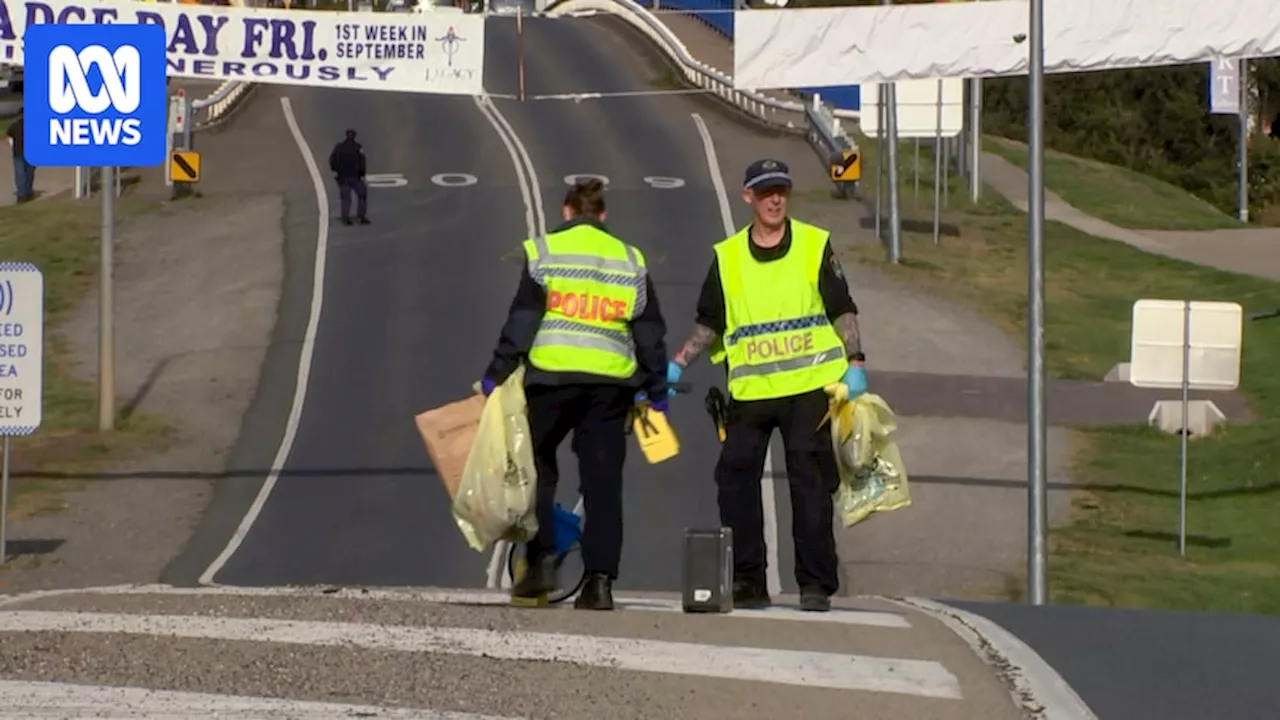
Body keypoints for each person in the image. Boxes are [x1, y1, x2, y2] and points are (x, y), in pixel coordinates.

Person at [667, 159, 867, 613]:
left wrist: (855, 360)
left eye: (781, 190)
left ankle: (815, 585)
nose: (775, 199)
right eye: (765, 191)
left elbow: (842, 308)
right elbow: (710, 323)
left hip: (808, 388)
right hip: (751, 394)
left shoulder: (815, 245)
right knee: (734, 480)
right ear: (748, 198)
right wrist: (678, 364)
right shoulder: (728, 256)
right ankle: (748, 581)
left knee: (809, 483)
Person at [480, 178, 670, 611]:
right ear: (602, 216)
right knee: (603, 486)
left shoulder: (543, 252)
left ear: (566, 212)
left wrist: (496, 374)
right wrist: (656, 391)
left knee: (539, 471)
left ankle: (543, 557)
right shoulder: (630, 260)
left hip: (550, 380)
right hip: (610, 387)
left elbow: (522, 323)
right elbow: (649, 334)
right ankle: (599, 584)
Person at [327, 129, 369, 226]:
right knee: (362, 195)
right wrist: (362, 174)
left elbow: (332, 160)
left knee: (346, 198)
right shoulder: (358, 147)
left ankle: (345, 218)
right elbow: (362, 162)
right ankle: (361, 216)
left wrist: (337, 170)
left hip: (343, 177)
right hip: (355, 177)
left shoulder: (339, 147)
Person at [6, 114, 35, 204]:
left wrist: (12, 144)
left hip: (18, 152)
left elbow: (8, 136)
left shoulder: (14, 126)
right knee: (29, 173)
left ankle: (22, 194)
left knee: (20, 174)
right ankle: (27, 191)